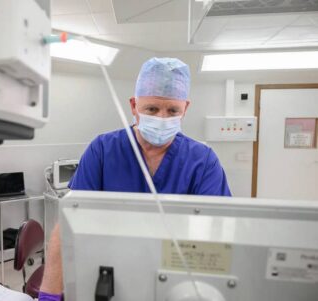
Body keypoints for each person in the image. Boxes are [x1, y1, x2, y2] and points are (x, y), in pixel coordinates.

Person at [38, 57, 231, 300]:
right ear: (133, 105)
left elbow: (218, 235)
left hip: (176, 282)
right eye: (151, 109)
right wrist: (49, 295)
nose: (162, 118)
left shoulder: (203, 161)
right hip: (107, 278)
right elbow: (67, 225)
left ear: (186, 108)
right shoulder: (103, 151)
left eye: (172, 110)